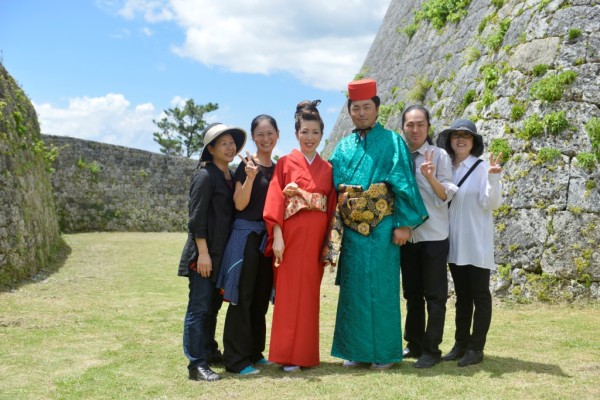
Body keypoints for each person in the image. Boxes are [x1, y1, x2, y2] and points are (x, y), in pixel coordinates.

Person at [328, 79, 428, 370]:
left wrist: (403, 224)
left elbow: (404, 185)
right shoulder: (344, 146)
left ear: (377, 109)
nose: (361, 113)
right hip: (352, 231)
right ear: (349, 111)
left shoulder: (393, 141)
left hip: (383, 226)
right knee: (354, 289)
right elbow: (333, 185)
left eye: (366, 107)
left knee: (382, 289)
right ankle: (355, 351)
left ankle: (383, 353)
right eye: (355, 108)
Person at [263, 100, 336, 372]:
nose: (310, 138)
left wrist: (330, 246)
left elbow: (331, 209)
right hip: (290, 238)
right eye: (305, 131)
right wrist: (278, 235)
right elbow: (275, 201)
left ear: (321, 135)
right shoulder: (285, 163)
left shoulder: (327, 169)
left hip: (315, 239)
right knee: (288, 296)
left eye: (315, 132)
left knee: (309, 297)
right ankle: (285, 355)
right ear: (297, 134)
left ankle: (305, 355)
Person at [178, 123, 246, 382]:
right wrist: (202, 253)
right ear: (211, 149)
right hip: (204, 254)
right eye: (223, 143)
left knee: (213, 307)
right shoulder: (205, 176)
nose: (230, 147)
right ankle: (196, 364)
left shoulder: (229, 175)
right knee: (199, 308)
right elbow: (196, 219)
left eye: (232, 143)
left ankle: (208, 350)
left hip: (221, 254)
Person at [436, 118, 503, 367]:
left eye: (466, 135)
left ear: (473, 142)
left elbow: (492, 204)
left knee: (480, 295)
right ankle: (460, 343)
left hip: (477, 242)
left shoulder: (484, 168)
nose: (460, 139)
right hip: (455, 243)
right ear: (450, 141)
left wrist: (494, 179)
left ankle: (477, 347)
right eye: (456, 136)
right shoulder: (447, 169)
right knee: (462, 296)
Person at [217, 115, 280, 376]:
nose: (265, 139)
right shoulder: (247, 165)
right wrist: (252, 178)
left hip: (266, 240)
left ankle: (255, 351)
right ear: (253, 137)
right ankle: (236, 360)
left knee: (260, 299)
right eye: (260, 134)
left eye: (270, 133)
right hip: (246, 237)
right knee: (242, 298)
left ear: (277, 135)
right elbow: (240, 205)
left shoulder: (278, 167)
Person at [399, 105, 458, 369]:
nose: (415, 129)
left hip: (434, 235)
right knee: (412, 293)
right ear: (403, 127)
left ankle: (431, 349)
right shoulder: (399, 155)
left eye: (420, 124)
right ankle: (414, 343)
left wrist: (430, 176)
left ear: (428, 127)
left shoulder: (440, 155)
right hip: (408, 236)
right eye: (410, 124)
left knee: (435, 295)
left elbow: (445, 195)